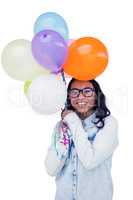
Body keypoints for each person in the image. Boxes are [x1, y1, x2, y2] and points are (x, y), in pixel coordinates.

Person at [44, 78, 119, 200]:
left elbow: (90, 161)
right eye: (74, 92)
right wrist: (65, 136)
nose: (81, 97)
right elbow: (51, 169)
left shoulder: (108, 124)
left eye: (87, 91)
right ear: (68, 97)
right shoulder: (61, 126)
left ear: (96, 96)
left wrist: (73, 121)